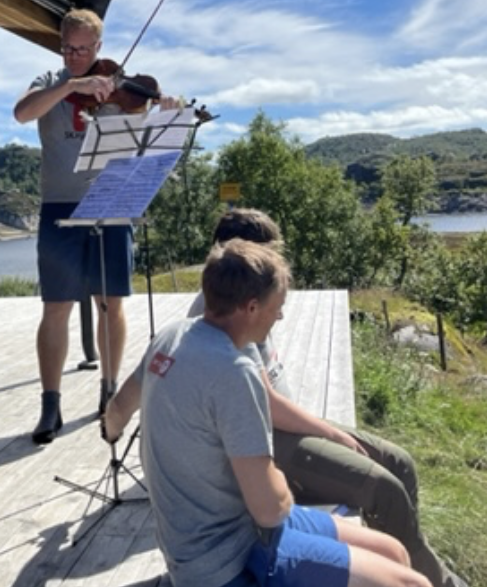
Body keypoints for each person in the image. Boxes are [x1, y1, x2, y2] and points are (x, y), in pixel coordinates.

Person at [103, 240, 431, 587]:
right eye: (278, 306)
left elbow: (118, 410)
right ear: (251, 307)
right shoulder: (234, 371)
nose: (280, 316)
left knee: (395, 553)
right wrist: (286, 483)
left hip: (228, 528)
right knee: (412, 584)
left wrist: (111, 431)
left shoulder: (170, 337)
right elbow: (270, 509)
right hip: (229, 557)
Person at [185, 209, 468, 587]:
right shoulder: (227, 313)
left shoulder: (252, 297)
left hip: (289, 422)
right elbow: (265, 405)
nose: (277, 264)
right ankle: (431, 579)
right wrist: (329, 433)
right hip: (269, 438)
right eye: (269, 254)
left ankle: (420, 562)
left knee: (400, 462)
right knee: (383, 491)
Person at [13, 7, 176, 444]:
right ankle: (50, 403)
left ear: (99, 47)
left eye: (84, 50)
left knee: (111, 303)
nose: (77, 56)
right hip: (59, 205)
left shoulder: (119, 87)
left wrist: (165, 111)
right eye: (69, 48)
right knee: (56, 307)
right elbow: (22, 114)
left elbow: (148, 135)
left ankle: (109, 391)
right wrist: (71, 84)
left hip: (112, 200)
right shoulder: (50, 81)